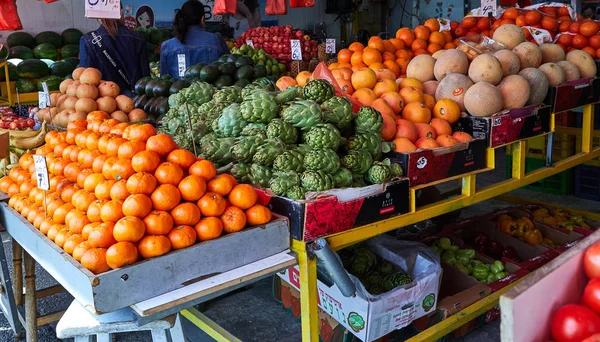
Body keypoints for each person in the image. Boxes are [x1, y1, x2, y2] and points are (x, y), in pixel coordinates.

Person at [79, 17, 150, 96]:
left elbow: (86, 82)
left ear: (97, 16)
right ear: (121, 12)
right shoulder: (138, 38)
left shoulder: (87, 40)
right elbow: (145, 78)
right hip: (135, 101)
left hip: (104, 103)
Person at [160, 0, 228, 79]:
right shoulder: (216, 40)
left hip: (179, 91)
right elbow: (228, 69)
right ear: (202, 19)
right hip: (212, 91)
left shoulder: (167, 46)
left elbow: (164, 79)